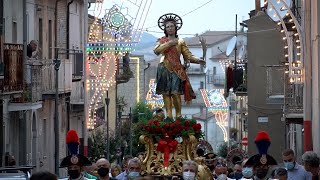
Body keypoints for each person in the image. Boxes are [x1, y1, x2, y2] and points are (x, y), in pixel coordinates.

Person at [154, 13, 205, 118]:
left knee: (175, 92)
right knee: (166, 93)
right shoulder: (162, 41)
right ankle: (169, 116)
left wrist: (198, 60)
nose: (170, 28)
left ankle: (178, 115)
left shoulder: (181, 41)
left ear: (175, 27)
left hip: (177, 68)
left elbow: (188, 56)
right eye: (167, 27)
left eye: (172, 26)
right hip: (164, 67)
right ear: (165, 29)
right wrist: (169, 43)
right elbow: (156, 51)